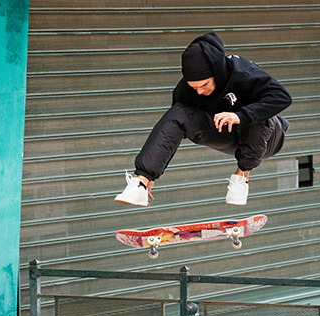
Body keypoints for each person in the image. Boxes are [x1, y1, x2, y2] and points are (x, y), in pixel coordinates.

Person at [115, 32, 292, 207]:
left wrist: (239, 115)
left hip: (268, 139)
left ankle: (241, 178)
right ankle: (140, 184)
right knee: (178, 114)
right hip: (228, 135)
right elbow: (169, 134)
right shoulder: (185, 91)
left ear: (216, 71)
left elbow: (282, 97)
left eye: (204, 85)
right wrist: (151, 174)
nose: (199, 91)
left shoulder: (242, 72)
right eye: (195, 87)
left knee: (258, 114)